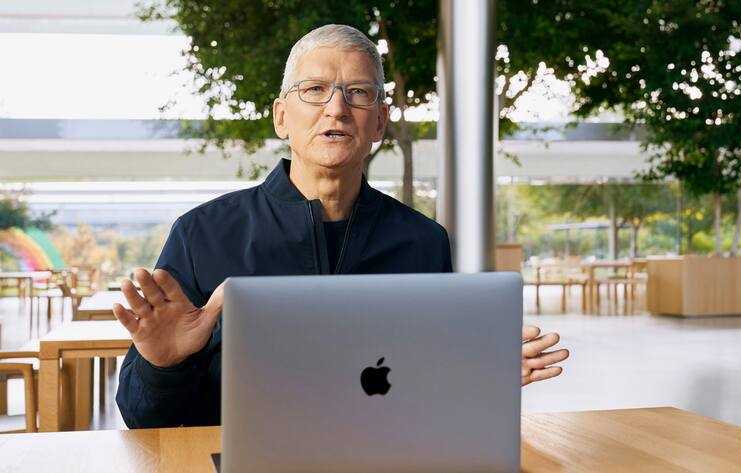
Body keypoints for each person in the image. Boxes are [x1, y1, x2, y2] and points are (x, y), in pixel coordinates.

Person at [114, 24, 570, 429]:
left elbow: (427, 397)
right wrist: (161, 364)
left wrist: (477, 378)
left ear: (379, 122)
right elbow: (143, 420)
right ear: (280, 117)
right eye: (314, 90)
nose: (336, 108)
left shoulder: (423, 241)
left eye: (358, 92)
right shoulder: (202, 235)